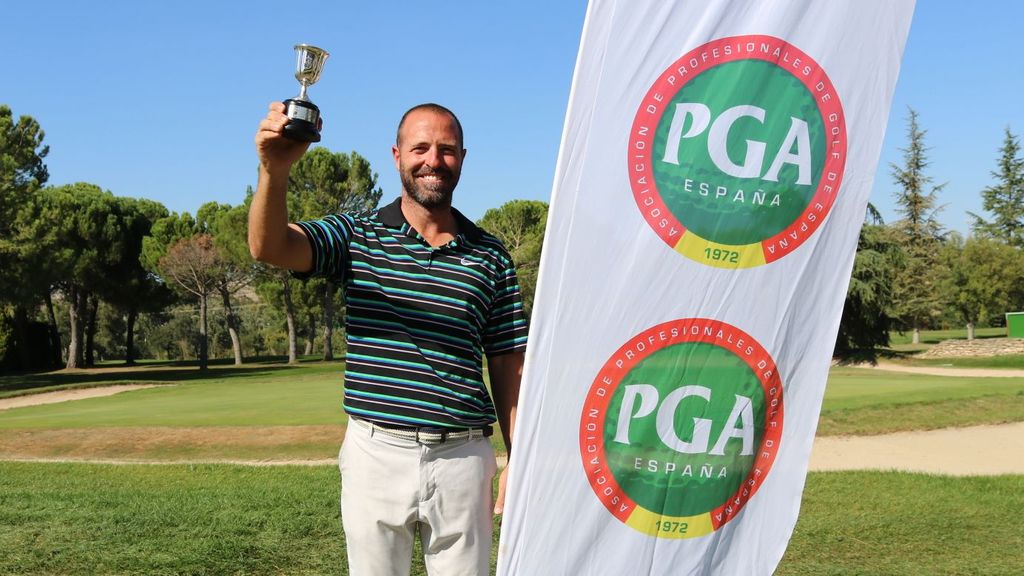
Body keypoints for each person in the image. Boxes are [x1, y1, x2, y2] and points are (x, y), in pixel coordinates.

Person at [249, 101, 528, 576]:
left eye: (447, 149)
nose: (433, 160)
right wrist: (274, 170)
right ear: (397, 155)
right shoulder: (356, 234)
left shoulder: (491, 256)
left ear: (463, 157)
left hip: (464, 459)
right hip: (376, 454)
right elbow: (270, 247)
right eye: (420, 148)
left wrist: (519, 459)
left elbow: (509, 364)